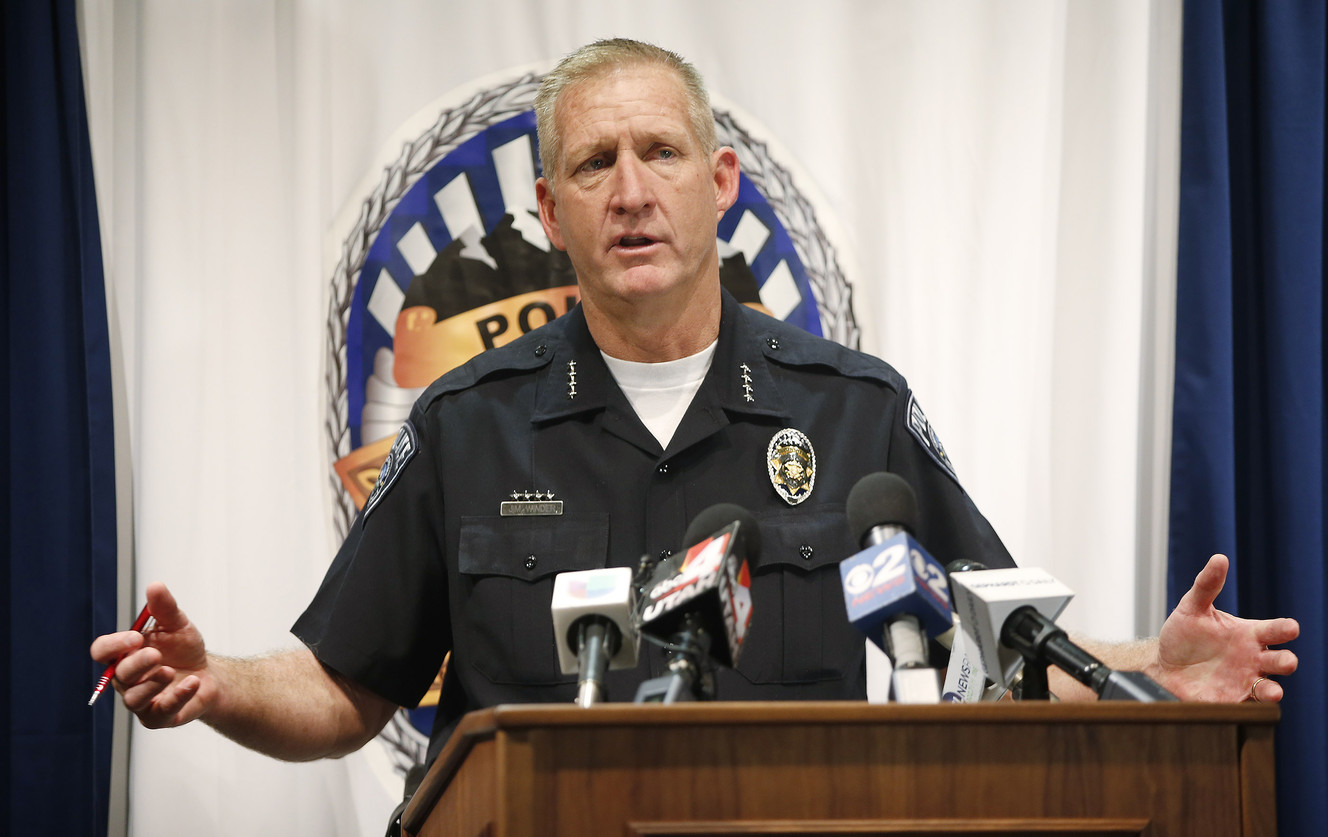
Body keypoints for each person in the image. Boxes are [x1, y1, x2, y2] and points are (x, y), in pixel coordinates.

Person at [92, 38, 1299, 768]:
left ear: (719, 182)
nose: (630, 192)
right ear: (548, 210)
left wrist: (1151, 662)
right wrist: (218, 684)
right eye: (592, 164)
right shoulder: (467, 424)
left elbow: (994, 646)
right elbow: (346, 683)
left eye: (660, 153)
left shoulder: (853, 414)